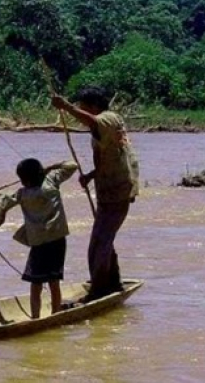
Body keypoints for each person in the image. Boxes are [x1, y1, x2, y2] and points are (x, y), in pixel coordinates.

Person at [52, 86, 140, 301]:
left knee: (99, 243)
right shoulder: (106, 124)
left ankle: (100, 289)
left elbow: (93, 122)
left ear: (93, 106)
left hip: (117, 191)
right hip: (110, 189)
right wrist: (91, 175)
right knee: (104, 239)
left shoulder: (108, 118)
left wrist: (66, 107)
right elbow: (106, 154)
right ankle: (112, 282)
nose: (80, 112)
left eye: (83, 108)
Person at [0, 158, 78, 317]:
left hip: (39, 243)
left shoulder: (22, 194)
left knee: (35, 283)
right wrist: (49, 168)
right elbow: (72, 165)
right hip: (57, 239)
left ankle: (35, 317)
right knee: (54, 281)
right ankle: (55, 314)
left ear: (24, 179)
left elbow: (0, 205)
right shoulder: (52, 181)